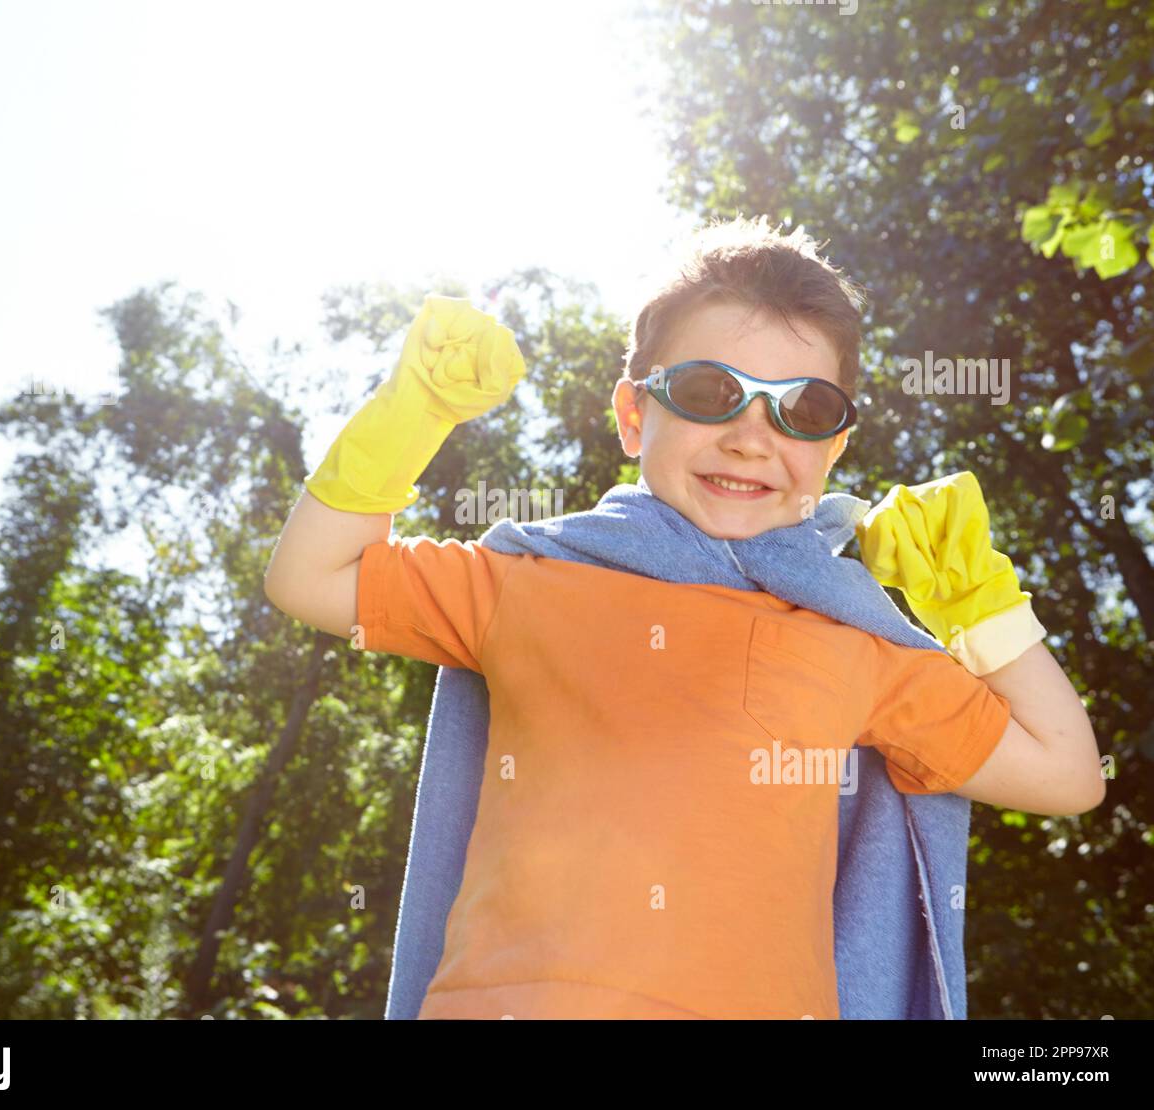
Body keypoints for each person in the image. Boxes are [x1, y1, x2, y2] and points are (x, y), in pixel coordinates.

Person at [263, 215, 1104, 1019]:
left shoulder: (853, 646)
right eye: (711, 392)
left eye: (803, 410)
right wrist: (415, 411)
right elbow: (311, 577)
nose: (751, 437)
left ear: (834, 445)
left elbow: (1067, 776)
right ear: (634, 416)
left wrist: (979, 605)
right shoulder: (529, 582)